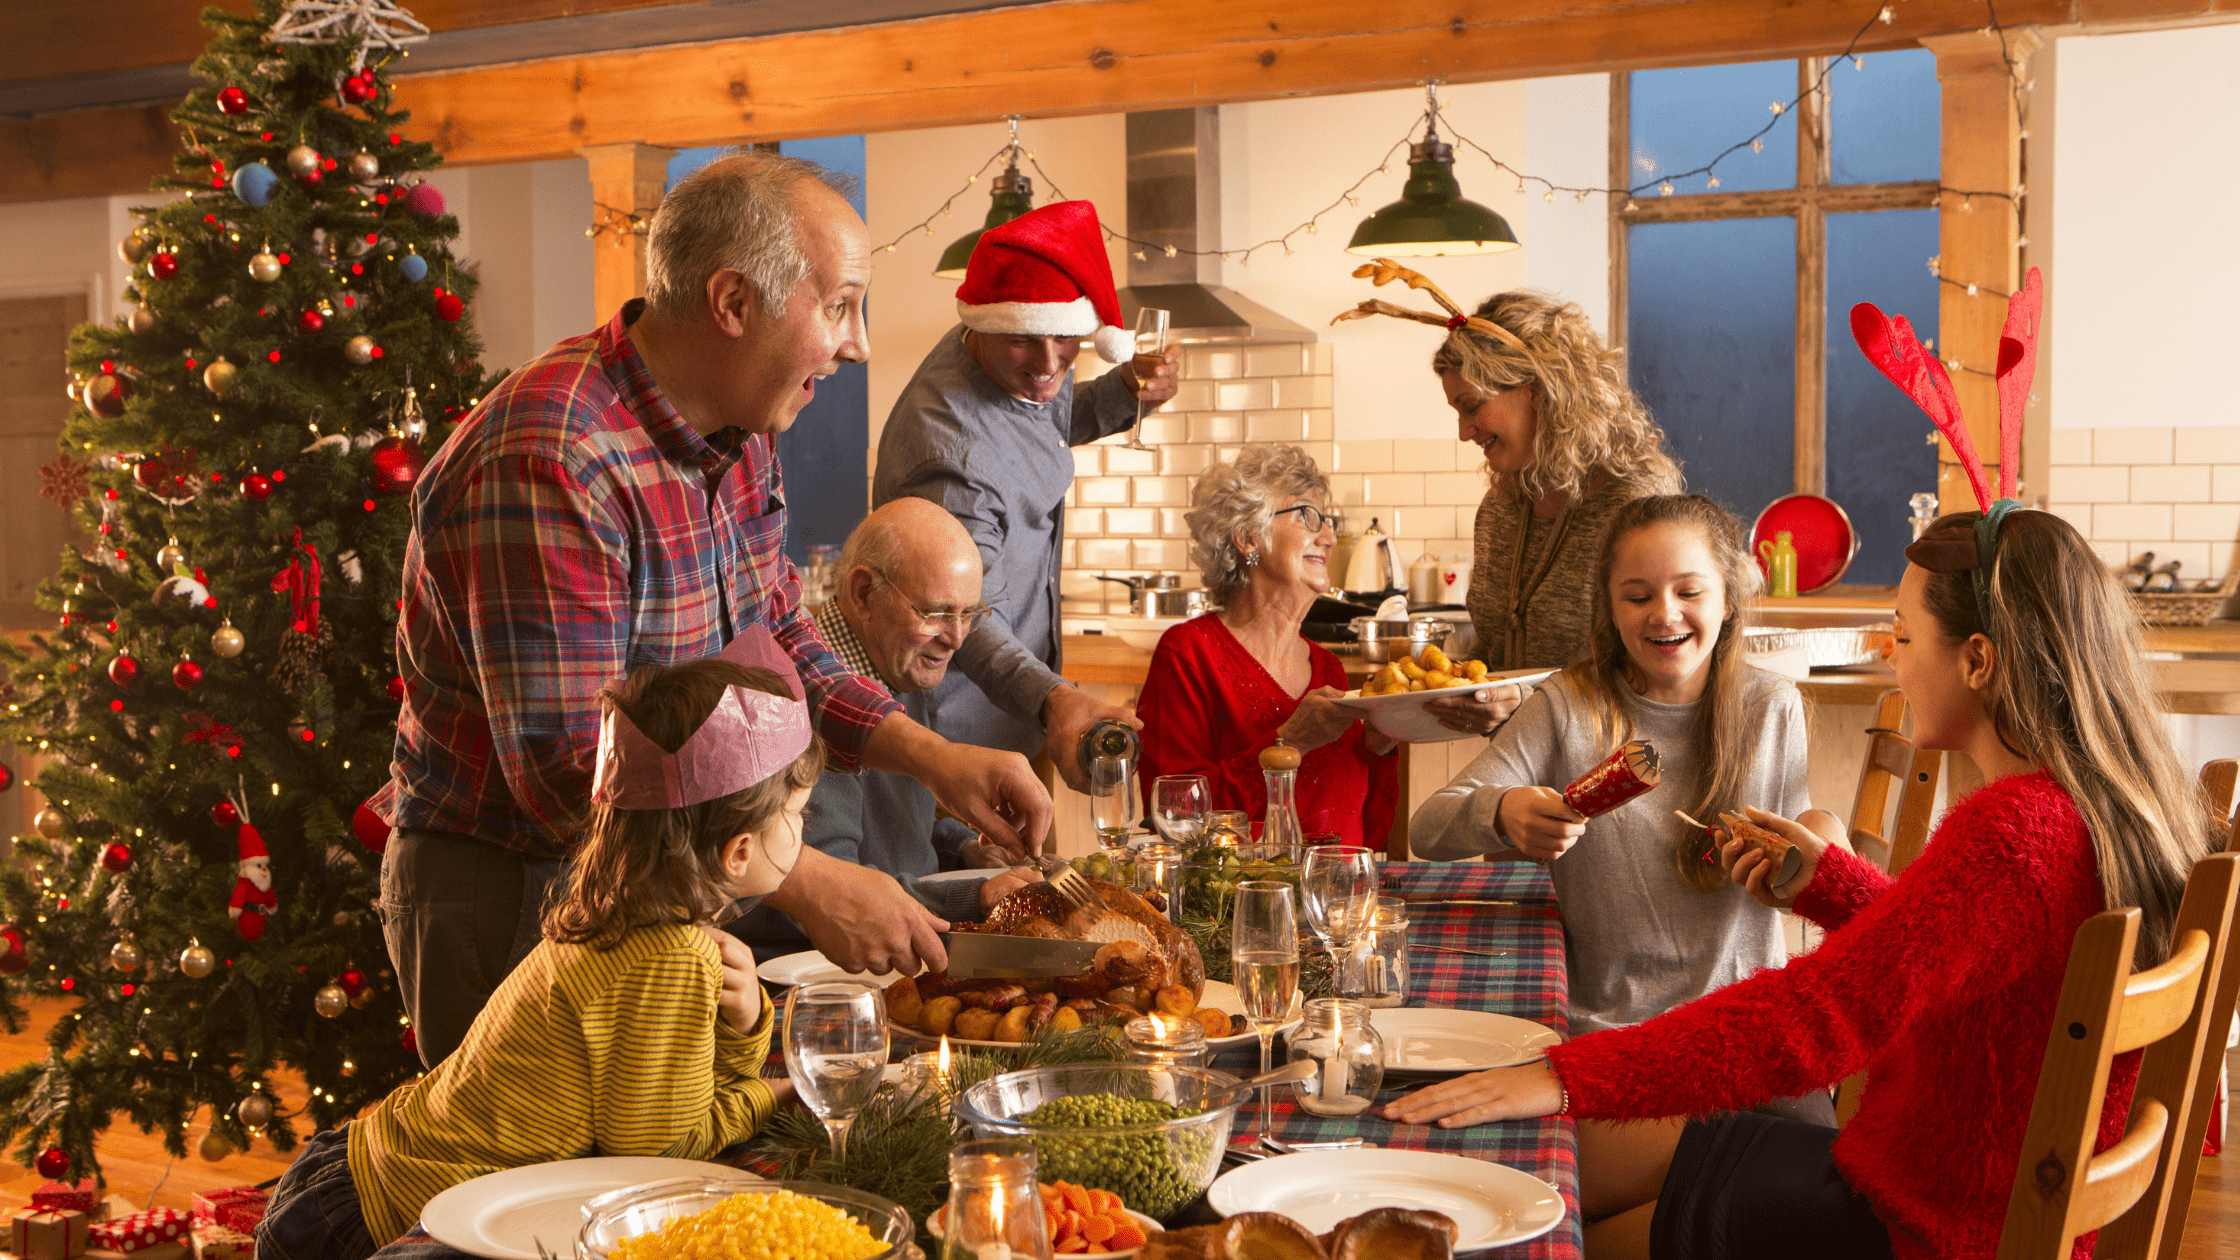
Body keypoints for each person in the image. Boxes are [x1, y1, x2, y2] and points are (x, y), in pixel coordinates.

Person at [1383, 507, 2219, 1260]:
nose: (1891, 657)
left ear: (1976, 660)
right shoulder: (2089, 805)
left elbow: (1816, 1016)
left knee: (1548, 1204)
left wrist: (1566, 1073)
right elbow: (1950, 949)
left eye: (1901, 633)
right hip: (1944, 1190)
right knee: (1558, 1180)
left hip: (1917, 1228)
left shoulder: (2010, 833)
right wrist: (1832, 885)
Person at [373, 151, 1051, 1068]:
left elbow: (779, 649)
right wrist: (808, 882)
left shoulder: (740, 433)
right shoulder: (555, 457)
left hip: (666, 871)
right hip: (518, 890)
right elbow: (579, 775)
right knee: (542, 1196)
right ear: (734, 304)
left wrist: (934, 759)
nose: (857, 343)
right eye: (841, 304)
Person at [261, 656, 815, 1260]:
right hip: (384, 1224)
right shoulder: (670, 958)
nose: (802, 828)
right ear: (738, 851)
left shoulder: (616, 912)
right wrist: (773, 1095)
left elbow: (665, 1107)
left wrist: (741, 1030)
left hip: (352, 1171)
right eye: (798, 814)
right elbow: (663, 1163)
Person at [1411, 496, 1831, 1124]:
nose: (1665, 613)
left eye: (1689, 591)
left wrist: (1818, 842)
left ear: (1727, 599)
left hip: (1743, 1038)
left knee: (1790, 1178)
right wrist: (1503, 811)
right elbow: (1427, 828)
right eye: (1637, 597)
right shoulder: (1566, 705)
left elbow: (1804, 837)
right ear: (1608, 607)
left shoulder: (1772, 707)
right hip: (1611, 1042)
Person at [874, 199, 1177, 789]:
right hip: (957, 745)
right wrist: (1057, 701)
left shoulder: (998, 348)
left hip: (1015, 720)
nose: (1047, 362)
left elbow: (1040, 417)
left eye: (1066, 337)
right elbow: (963, 620)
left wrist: (1124, 391)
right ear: (987, 324)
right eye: (1024, 341)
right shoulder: (950, 453)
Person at [1337, 265, 1680, 737]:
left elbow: (1665, 671)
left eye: (1472, 406)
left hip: (1620, 772)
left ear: (1539, 391)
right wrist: (1448, 692)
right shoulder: (1501, 509)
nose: (1463, 432)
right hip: (1524, 775)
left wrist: (1525, 703)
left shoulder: (1638, 504)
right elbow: (1495, 659)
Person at [731, 498, 1043, 961]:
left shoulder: (900, 667)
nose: (956, 638)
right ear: (862, 593)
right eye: (936, 613)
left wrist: (964, 848)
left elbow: (896, 837)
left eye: (969, 614)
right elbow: (838, 896)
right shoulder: (799, 712)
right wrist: (975, 897)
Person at [1134, 445, 1397, 848]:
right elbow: (1173, 818)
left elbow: (1369, 837)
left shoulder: (1328, 668)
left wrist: (1381, 747)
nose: (1328, 537)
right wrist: (1288, 743)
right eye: (1308, 516)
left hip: (1336, 902)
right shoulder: (1189, 655)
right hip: (1236, 907)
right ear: (1247, 537)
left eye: (1326, 521)